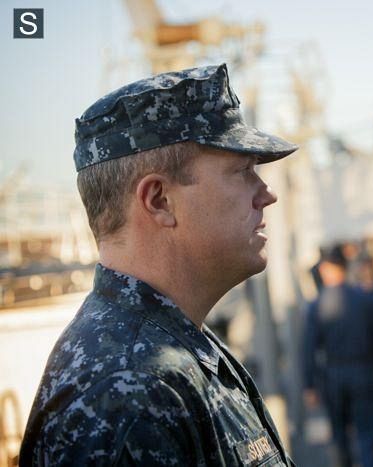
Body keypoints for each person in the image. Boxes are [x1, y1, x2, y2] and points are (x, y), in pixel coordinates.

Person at [20, 64, 298, 466]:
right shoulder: (128, 392)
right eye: (242, 171)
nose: (266, 194)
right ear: (160, 201)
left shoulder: (165, 347)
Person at [303, 245, 373, 467]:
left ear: (325, 269)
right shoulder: (366, 300)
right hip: (365, 372)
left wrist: (309, 385)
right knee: (367, 436)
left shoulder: (316, 305)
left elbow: (309, 349)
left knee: (339, 437)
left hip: (333, 376)